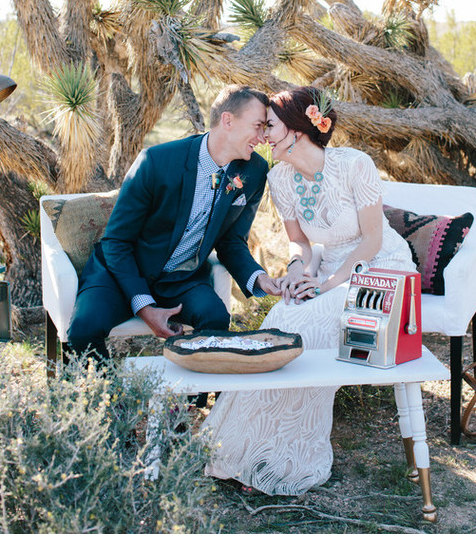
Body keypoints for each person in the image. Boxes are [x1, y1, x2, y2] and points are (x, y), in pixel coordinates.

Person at [203, 86, 417, 495]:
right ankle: (242, 450)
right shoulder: (280, 178)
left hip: (381, 274)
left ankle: (285, 460)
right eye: (262, 126)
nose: (264, 134)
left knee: (310, 325)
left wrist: (327, 284)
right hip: (330, 274)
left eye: (271, 126)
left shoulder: (355, 165)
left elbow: (371, 240)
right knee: (282, 314)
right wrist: (299, 272)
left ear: (300, 129)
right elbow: (301, 244)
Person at [67, 85, 280, 359]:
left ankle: (194, 401)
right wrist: (145, 306)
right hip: (121, 274)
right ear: (227, 120)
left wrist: (260, 279)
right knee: (84, 330)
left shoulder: (254, 170)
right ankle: (106, 399)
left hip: (181, 279)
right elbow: (117, 241)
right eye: (258, 126)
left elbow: (231, 241)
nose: (263, 137)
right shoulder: (156, 161)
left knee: (215, 317)